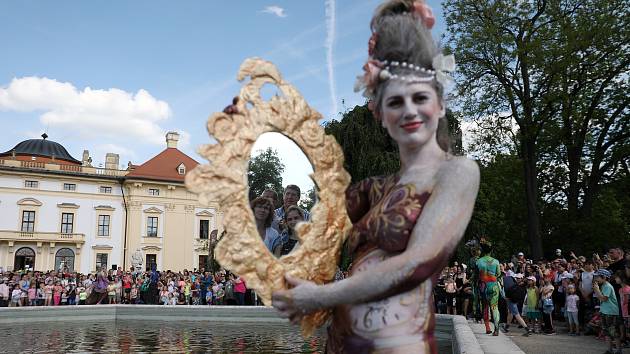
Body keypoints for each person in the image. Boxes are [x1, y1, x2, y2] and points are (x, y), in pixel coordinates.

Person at [270, 1, 480, 352]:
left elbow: (414, 263)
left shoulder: (456, 172)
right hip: (340, 342)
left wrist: (320, 295)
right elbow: (312, 230)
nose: (409, 110)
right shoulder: (374, 188)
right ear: (380, 113)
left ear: (440, 105)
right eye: (395, 102)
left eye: (420, 97)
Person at [593, 269, 621, 354]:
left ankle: (618, 350)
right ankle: (610, 350)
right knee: (606, 331)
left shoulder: (608, 286)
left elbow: (604, 298)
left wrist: (597, 290)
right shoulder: (604, 286)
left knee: (614, 332)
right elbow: (600, 298)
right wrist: (597, 290)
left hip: (611, 312)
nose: (596, 278)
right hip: (605, 311)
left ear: (604, 277)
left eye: (598, 276)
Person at [477, 239, 502, 335]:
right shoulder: (496, 261)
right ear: (491, 251)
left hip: (483, 286)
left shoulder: (479, 261)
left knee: (485, 307)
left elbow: (476, 275)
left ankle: (487, 328)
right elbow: (498, 274)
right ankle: (496, 329)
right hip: (494, 286)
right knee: (495, 307)